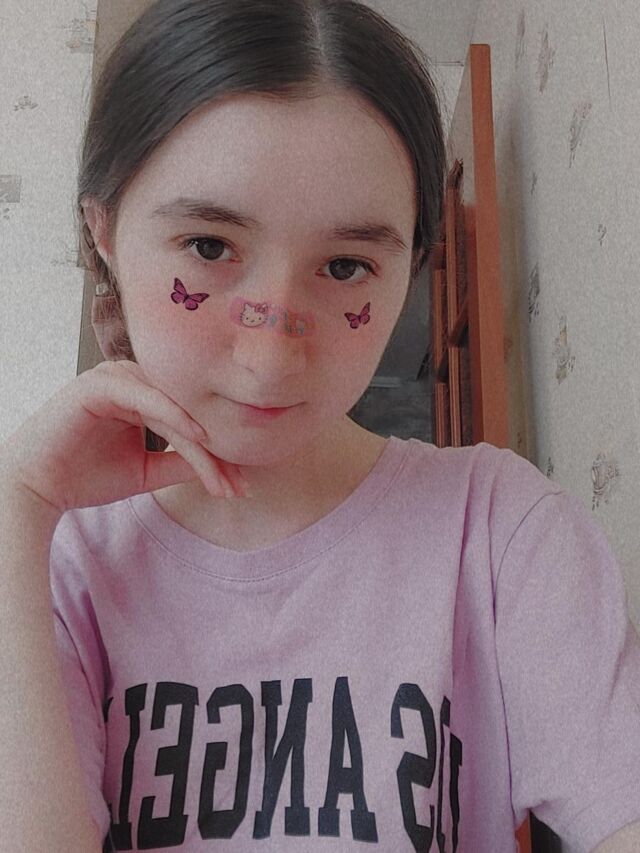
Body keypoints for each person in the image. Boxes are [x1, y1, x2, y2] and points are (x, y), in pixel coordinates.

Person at [1, 1, 640, 851]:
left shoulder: (501, 532)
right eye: (209, 246)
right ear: (105, 230)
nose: (270, 359)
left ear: (411, 266)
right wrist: (14, 509)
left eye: (345, 265)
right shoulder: (54, 565)